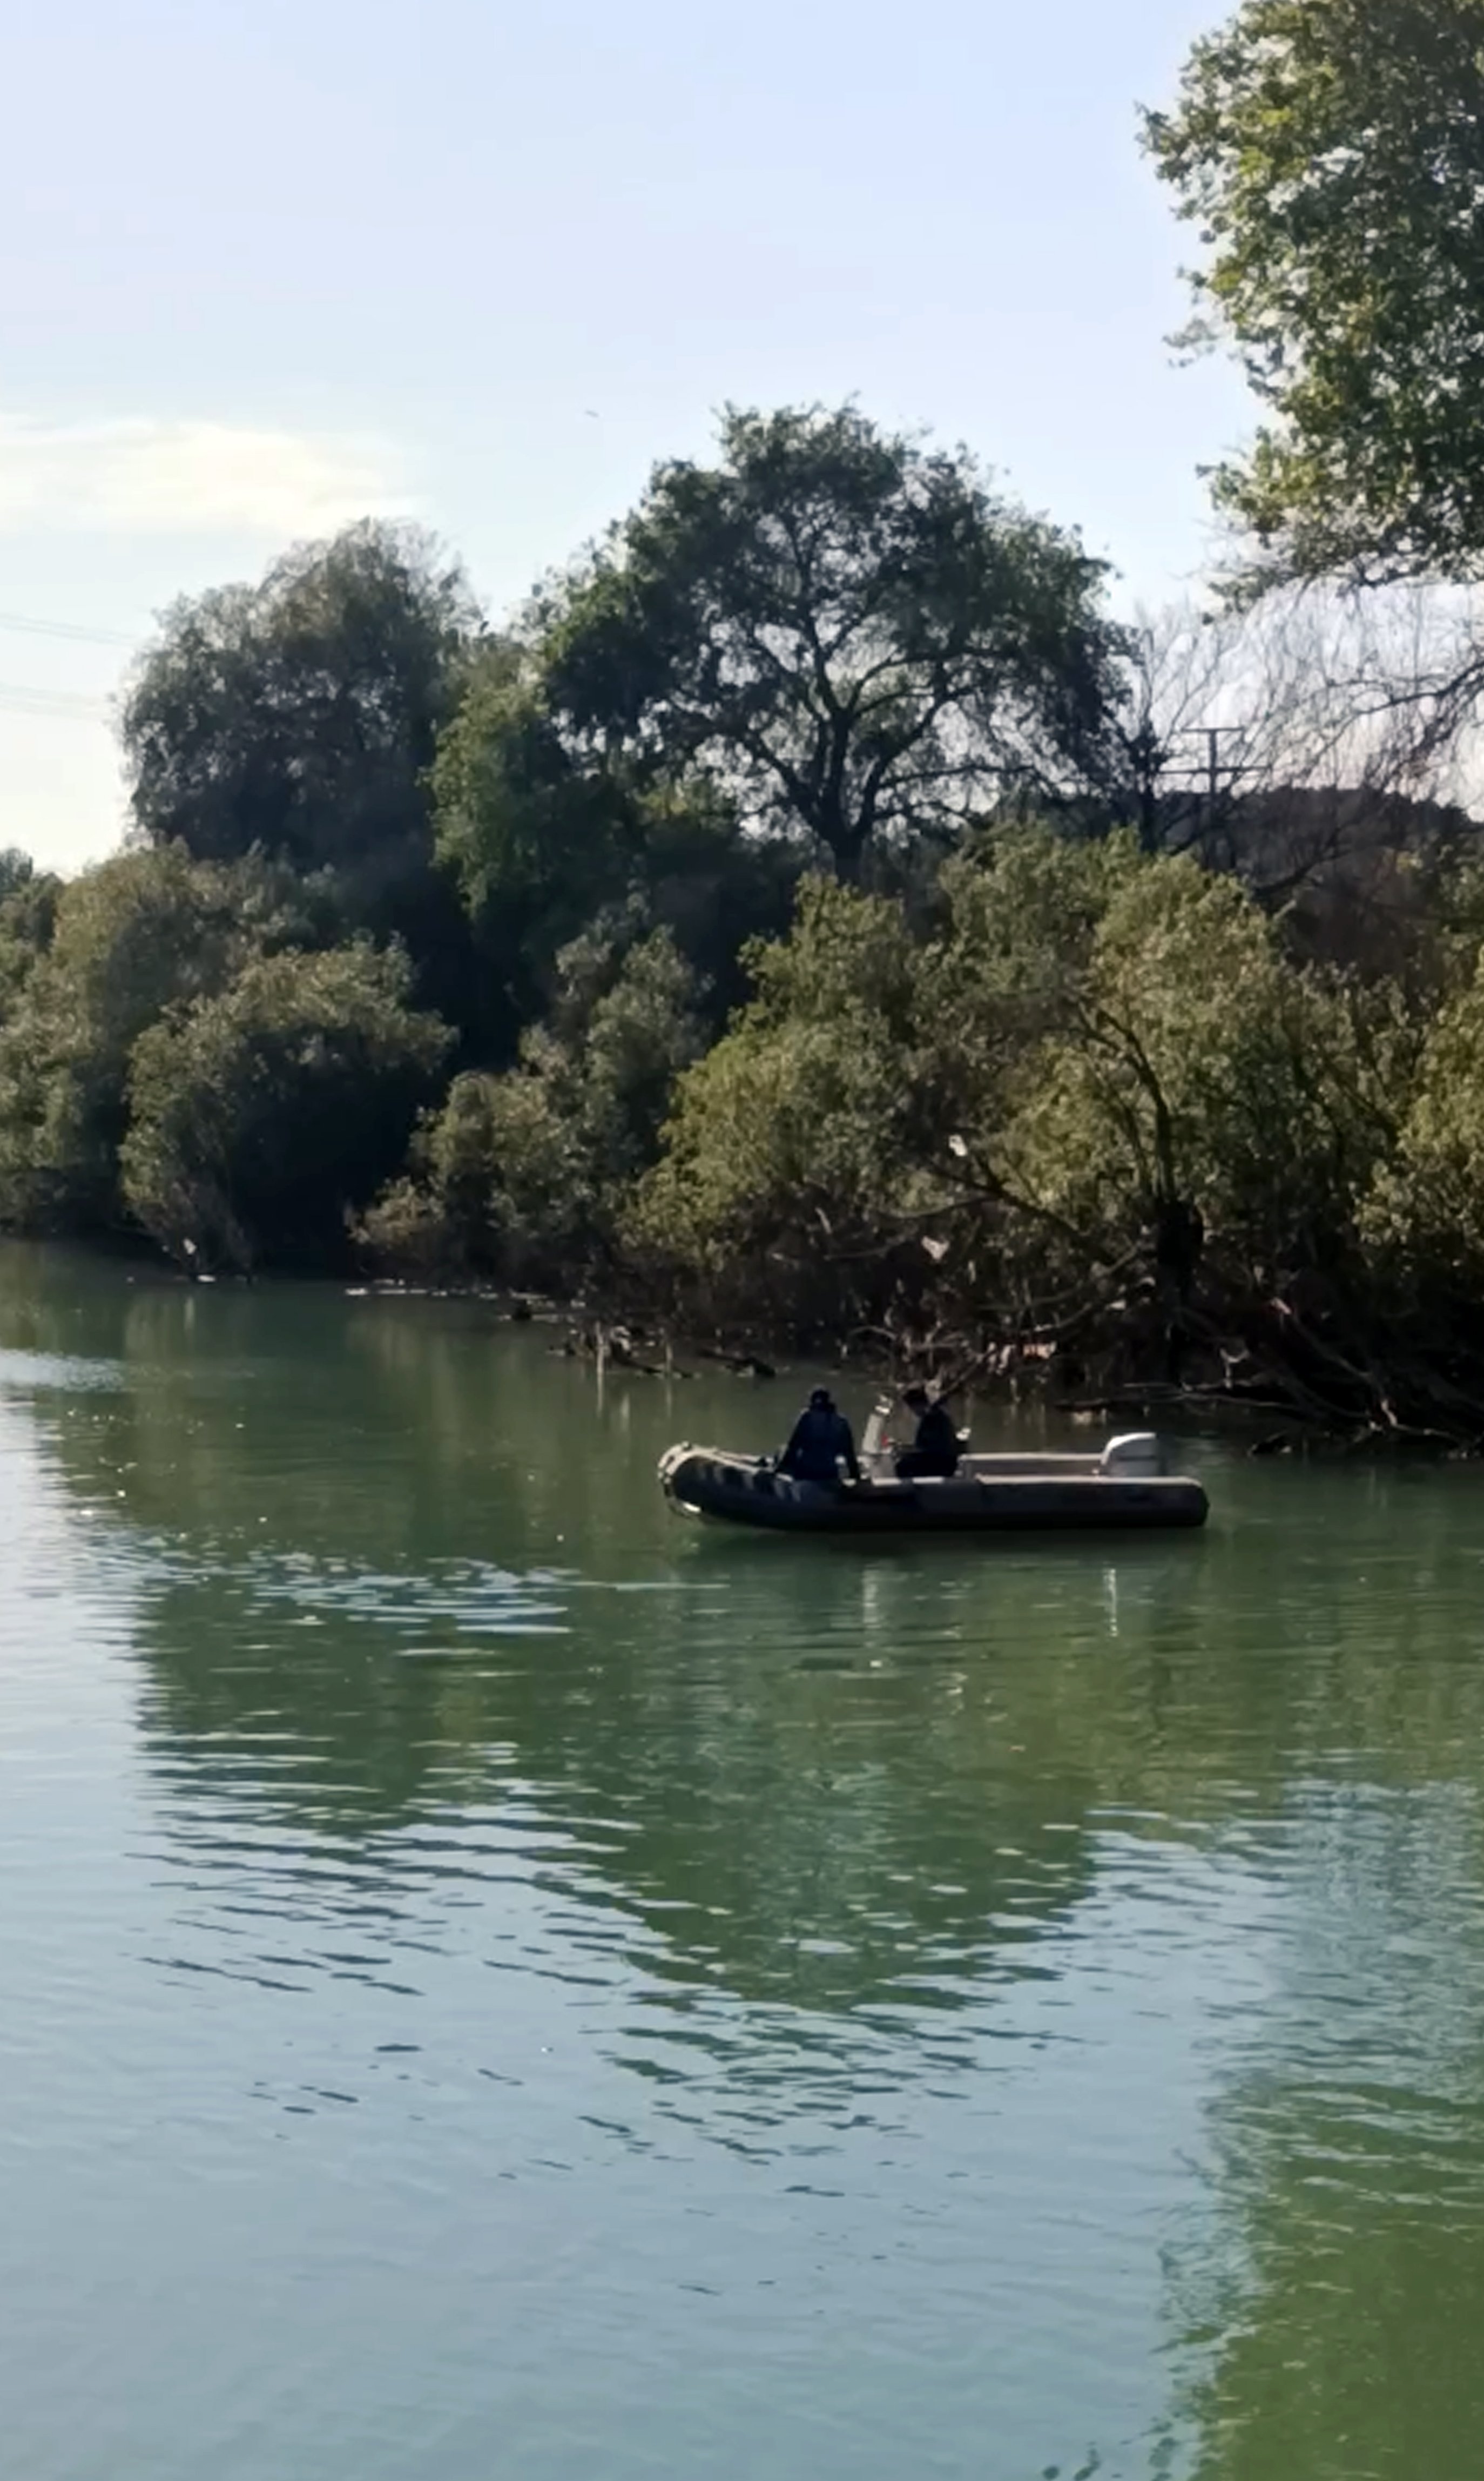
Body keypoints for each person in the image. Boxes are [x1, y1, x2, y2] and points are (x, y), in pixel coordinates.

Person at [778, 1387, 862, 1487]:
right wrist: (856, 1478)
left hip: (806, 1473)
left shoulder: (807, 1417)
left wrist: (778, 1471)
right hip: (829, 1474)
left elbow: (793, 1448)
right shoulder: (842, 1422)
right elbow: (850, 1455)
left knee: (782, 1451)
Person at [894, 1385, 961, 1480]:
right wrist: (905, 1448)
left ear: (919, 1404)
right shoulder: (932, 1416)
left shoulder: (932, 1419)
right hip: (940, 1460)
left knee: (902, 1466)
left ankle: (913, 1492)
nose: (913, 1411)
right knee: (905, 1459)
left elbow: (930, 1449)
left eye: (912, 1407)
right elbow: (924, 1446)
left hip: (943, 1464)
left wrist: (906, 1451)